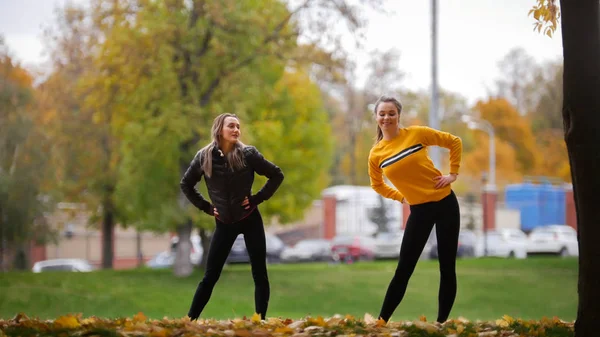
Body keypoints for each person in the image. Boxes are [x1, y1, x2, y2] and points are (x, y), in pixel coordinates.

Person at [367, 96, 463, 324]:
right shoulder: (376, 154)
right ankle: (380, 324)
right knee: (404, 269)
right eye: (382, 113)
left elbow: (454, 141)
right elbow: (377, 184)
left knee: (447, 267)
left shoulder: (416, 134)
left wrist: (453, 174)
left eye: (391, 113)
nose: (387, 117)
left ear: (399, 115)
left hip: (445, 203)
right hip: (419, 211)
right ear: (376, 117)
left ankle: (440, 325)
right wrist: (402, 197)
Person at [180, 113, 284, 321]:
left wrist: (257, 199)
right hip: (224, 223)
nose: (236, 130)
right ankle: (189, 321)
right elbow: (186, 184)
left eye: (238, 126)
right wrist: (207, 208)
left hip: (250, 218)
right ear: (220, 130)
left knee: (259, 274)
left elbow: (276, 175)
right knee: (210, 276)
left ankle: (260, 321)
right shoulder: (203, 157)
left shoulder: (248, 154)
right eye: (231, 126)